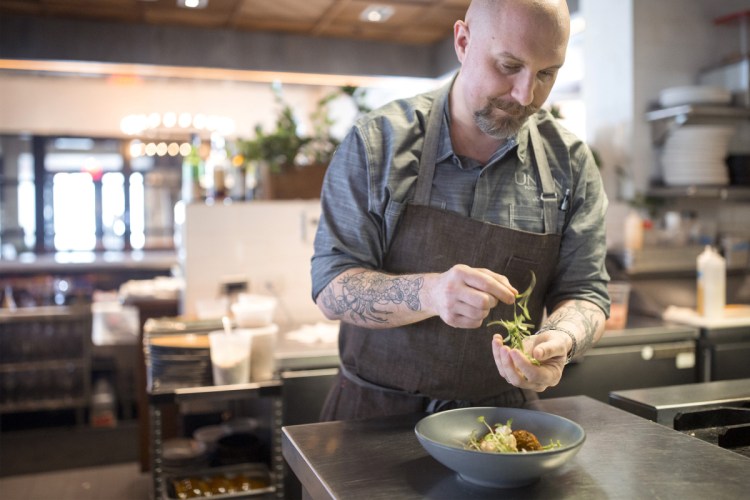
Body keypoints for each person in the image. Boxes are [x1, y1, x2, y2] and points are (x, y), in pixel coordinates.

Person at [311, 0, 610, 422]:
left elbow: (587, 293)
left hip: (501, 421)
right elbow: (331, 285)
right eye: (509, 65)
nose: (526, 95)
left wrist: (561, 338)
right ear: (463, 41)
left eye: (546, 74)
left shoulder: (570, 164)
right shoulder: (379, 144)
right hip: (373, 416)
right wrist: (431, 293)